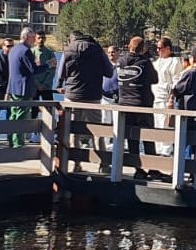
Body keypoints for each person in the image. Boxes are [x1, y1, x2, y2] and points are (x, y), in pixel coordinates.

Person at [116, 36, 159, 179]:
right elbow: (155, 79)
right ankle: (153, 168)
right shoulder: (144, 62)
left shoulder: (121, 61)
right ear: (142, 48)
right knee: (148, 137)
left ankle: (137, 168)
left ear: (129, 46)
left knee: (131, 139)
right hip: (142, 104)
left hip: (124, 105)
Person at [6, 28, 39, 148]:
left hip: (14, 88)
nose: (34, 40)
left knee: (13, 115)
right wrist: (47, 65)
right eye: (32, 37)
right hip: (23, 88)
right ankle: (18, 143)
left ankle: (11, 139)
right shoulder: (26, 51)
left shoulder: (13, 49)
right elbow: (33, 70)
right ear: (25, 37)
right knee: (21, 116)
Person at [60, 32, 113, 103]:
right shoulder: (98, 49)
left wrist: (59, 85)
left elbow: (61, 74)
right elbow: (109, 72)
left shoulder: (68, 50)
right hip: (93, 97)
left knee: (70, 113)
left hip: (72, 96)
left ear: (71, 40)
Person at [151, 37, 182, 156]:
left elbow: (176, 81)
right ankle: (157, 150)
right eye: (157, 48)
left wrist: (171, 98)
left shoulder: (174, 61)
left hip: (166, 97)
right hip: (155, 97)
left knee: (166, 124)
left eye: (160, 48)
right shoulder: (156, 62)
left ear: (168, 48)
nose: (158, 51)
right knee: (156, 124)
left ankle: (166, 151)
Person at [32, 32, 57, 101]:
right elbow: (29, 70)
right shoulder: (31, 52)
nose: (41, 40)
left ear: (45, 39)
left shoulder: (50, 53)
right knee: (33, 110)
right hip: (34, 87)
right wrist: (37, 84)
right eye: (39, 38)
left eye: (42, 38)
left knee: (49, 109)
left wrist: (44, 84)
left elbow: (52, 71)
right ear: (35, 39)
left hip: (47, 87)